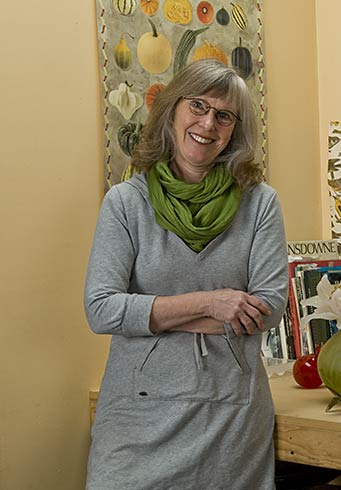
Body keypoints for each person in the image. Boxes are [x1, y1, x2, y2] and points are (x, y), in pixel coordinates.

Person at [84, 60, 289, 489]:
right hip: (135, 422)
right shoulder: (124, 203)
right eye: (197, 105)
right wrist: (212, 303)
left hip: (231, 421)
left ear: (234, 130)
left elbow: (267, 309)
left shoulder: (260, 204)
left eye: (224, 115)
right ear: (172, 110)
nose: (207, 123)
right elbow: (101, 309)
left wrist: (151, 316)